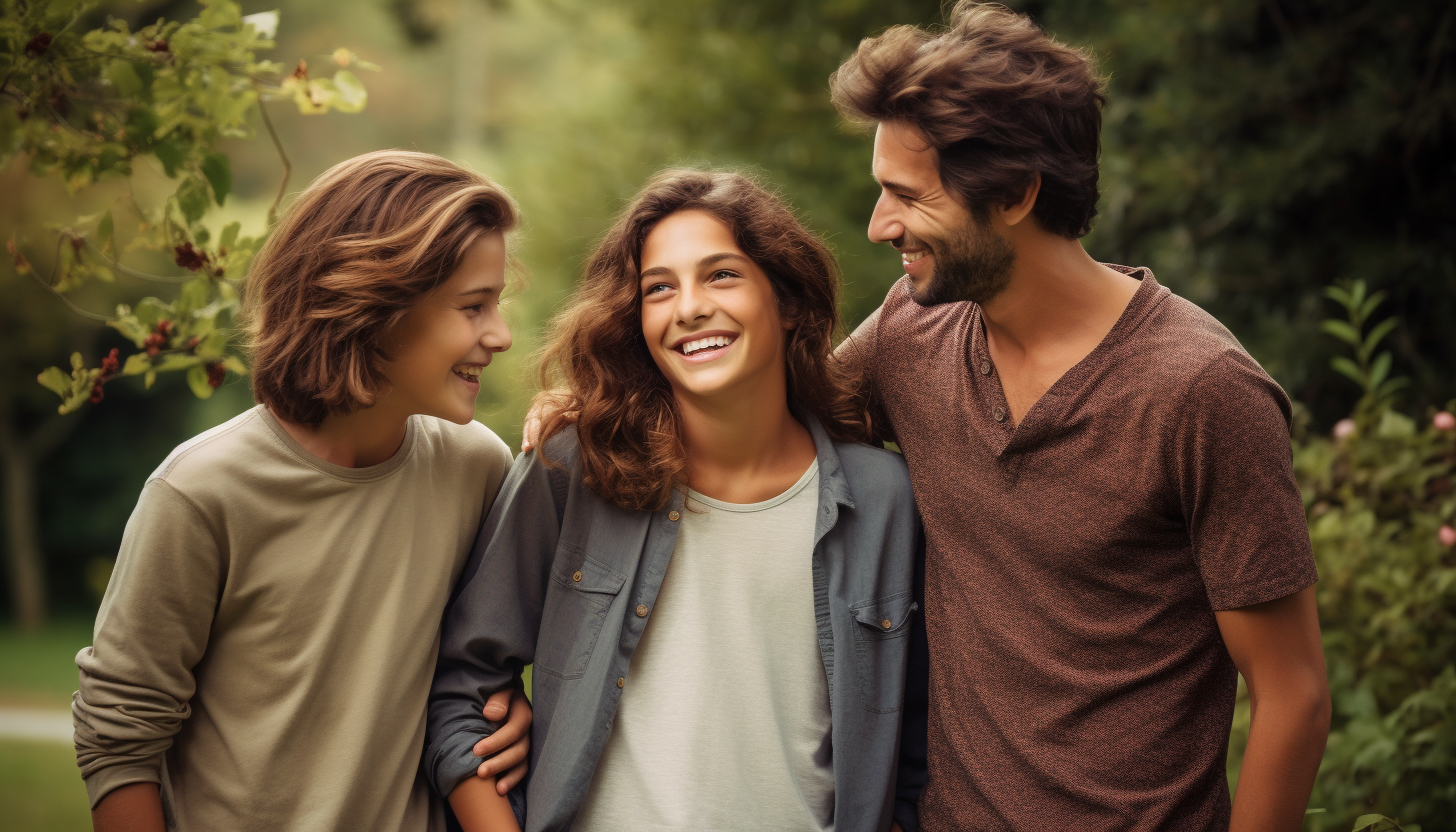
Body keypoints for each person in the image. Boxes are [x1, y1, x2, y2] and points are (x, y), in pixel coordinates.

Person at [823, 3, 1331, 831]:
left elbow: (1293, 697)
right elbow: (763, 426)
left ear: (1018, 193)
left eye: (906, 197)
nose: (881, 224)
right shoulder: (911, 331)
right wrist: (597, 403)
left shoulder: (1201, 390)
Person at [426, 169, 926, 832]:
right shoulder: (573, 467)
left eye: (721, 275)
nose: (688, 307)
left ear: (788, 302)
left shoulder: (884, 498)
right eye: (659, 288)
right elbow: (461, 688)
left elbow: (917, 753)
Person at [73, 150, 534, 832]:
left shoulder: (477, 469)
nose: (501, 335)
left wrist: (506, 704)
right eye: (474, 307)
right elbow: (118, 741)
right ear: (376, 306)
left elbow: (472, 669)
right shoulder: (202, 491)